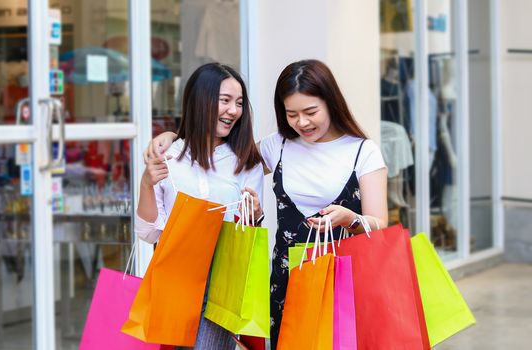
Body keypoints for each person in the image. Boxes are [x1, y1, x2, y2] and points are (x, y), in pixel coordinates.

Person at [146, 59, 388, 349]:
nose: (302, 123)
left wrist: (351, 218)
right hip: (287, 280)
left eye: (311, 112)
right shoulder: (279, 146)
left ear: (331, 103)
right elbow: (220, 162)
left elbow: (379, 224)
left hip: (342, 280)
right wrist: (173, 138)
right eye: (292, 114)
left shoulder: (362, 151)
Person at [135, 62, 265, 350]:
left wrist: (254, 215)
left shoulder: (246, 161)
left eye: (239, 103)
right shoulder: (169, 155)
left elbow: (247, 234)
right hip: (174, 280)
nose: (233, 110)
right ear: (201, 101)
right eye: (225, 101)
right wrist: (146, 185)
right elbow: (148, 233)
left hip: (221, 282)